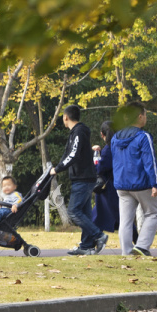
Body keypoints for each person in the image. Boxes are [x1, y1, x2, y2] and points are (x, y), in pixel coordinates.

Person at [50, 104, 109, 255]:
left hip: (83, 179)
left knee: (73, 212)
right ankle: (87, 246)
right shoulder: (76, 133)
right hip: (84, 178)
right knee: (85, 213)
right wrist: (58, 167)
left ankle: (99, 235)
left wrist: (58, 168)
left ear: (66, 117)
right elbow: (68, 153)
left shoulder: (79, 132)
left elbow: (73, 154)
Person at [111, 102, 157, 256]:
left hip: (121, 185)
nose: (145, 118)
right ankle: (142, 246)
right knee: (153, 213)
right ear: (140, 116)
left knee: (125, 220)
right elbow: (150, 161)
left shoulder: (115, 137)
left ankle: (126, 252)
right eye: (145, 115)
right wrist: (155, 183)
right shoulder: (143, 137)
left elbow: (115, 160)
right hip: (142, 184)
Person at [92, 120, 138, 243]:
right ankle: (89, 243)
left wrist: (96, 154)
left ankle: (89, 243)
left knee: (107, 217)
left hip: (108, 189)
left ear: (102, 134)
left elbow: (100, 167)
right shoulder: (120, 146)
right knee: (111, 217)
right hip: (119, 184)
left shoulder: (108, 149)